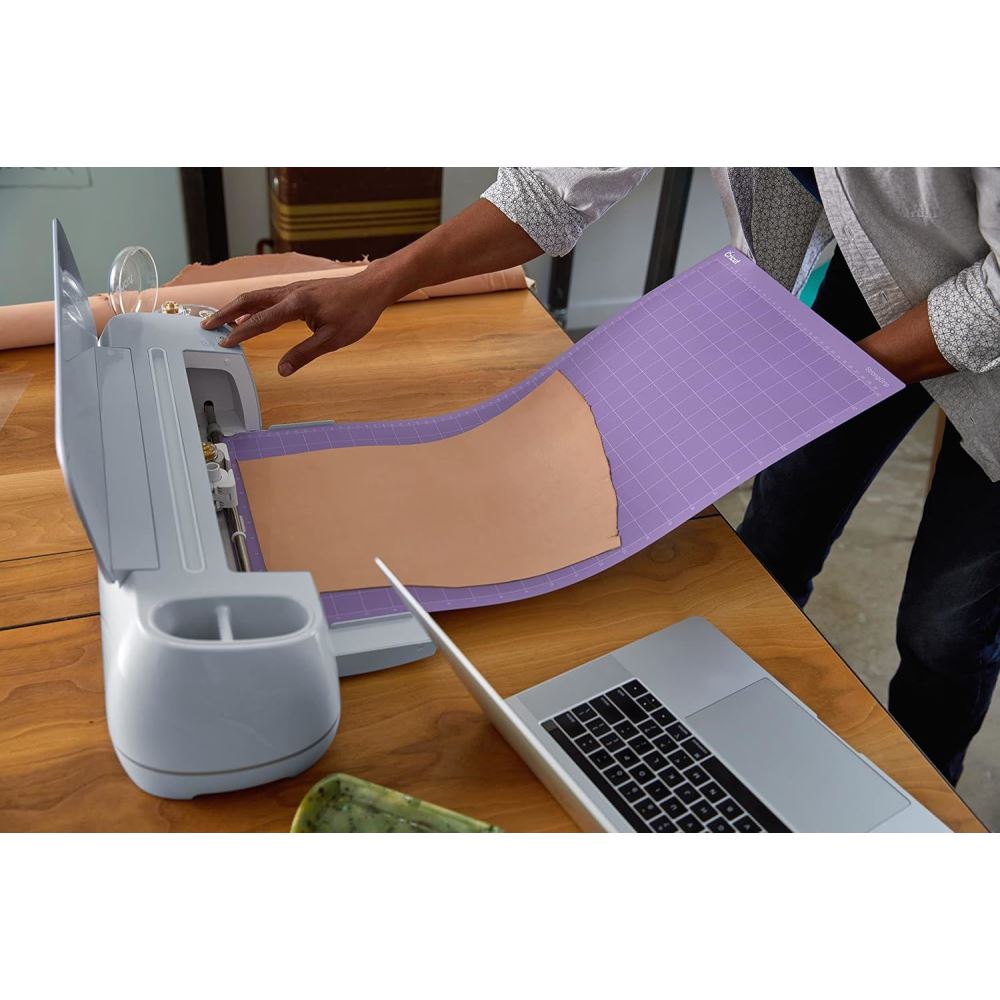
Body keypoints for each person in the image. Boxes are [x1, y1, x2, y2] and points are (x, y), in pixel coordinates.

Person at [204, 167, 1000, 787]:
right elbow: (552, 188)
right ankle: (726, 736)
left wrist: (831, 373)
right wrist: (379, 280)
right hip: (858, 275)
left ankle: (927, 799)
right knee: (773, 537)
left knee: (946, 629)